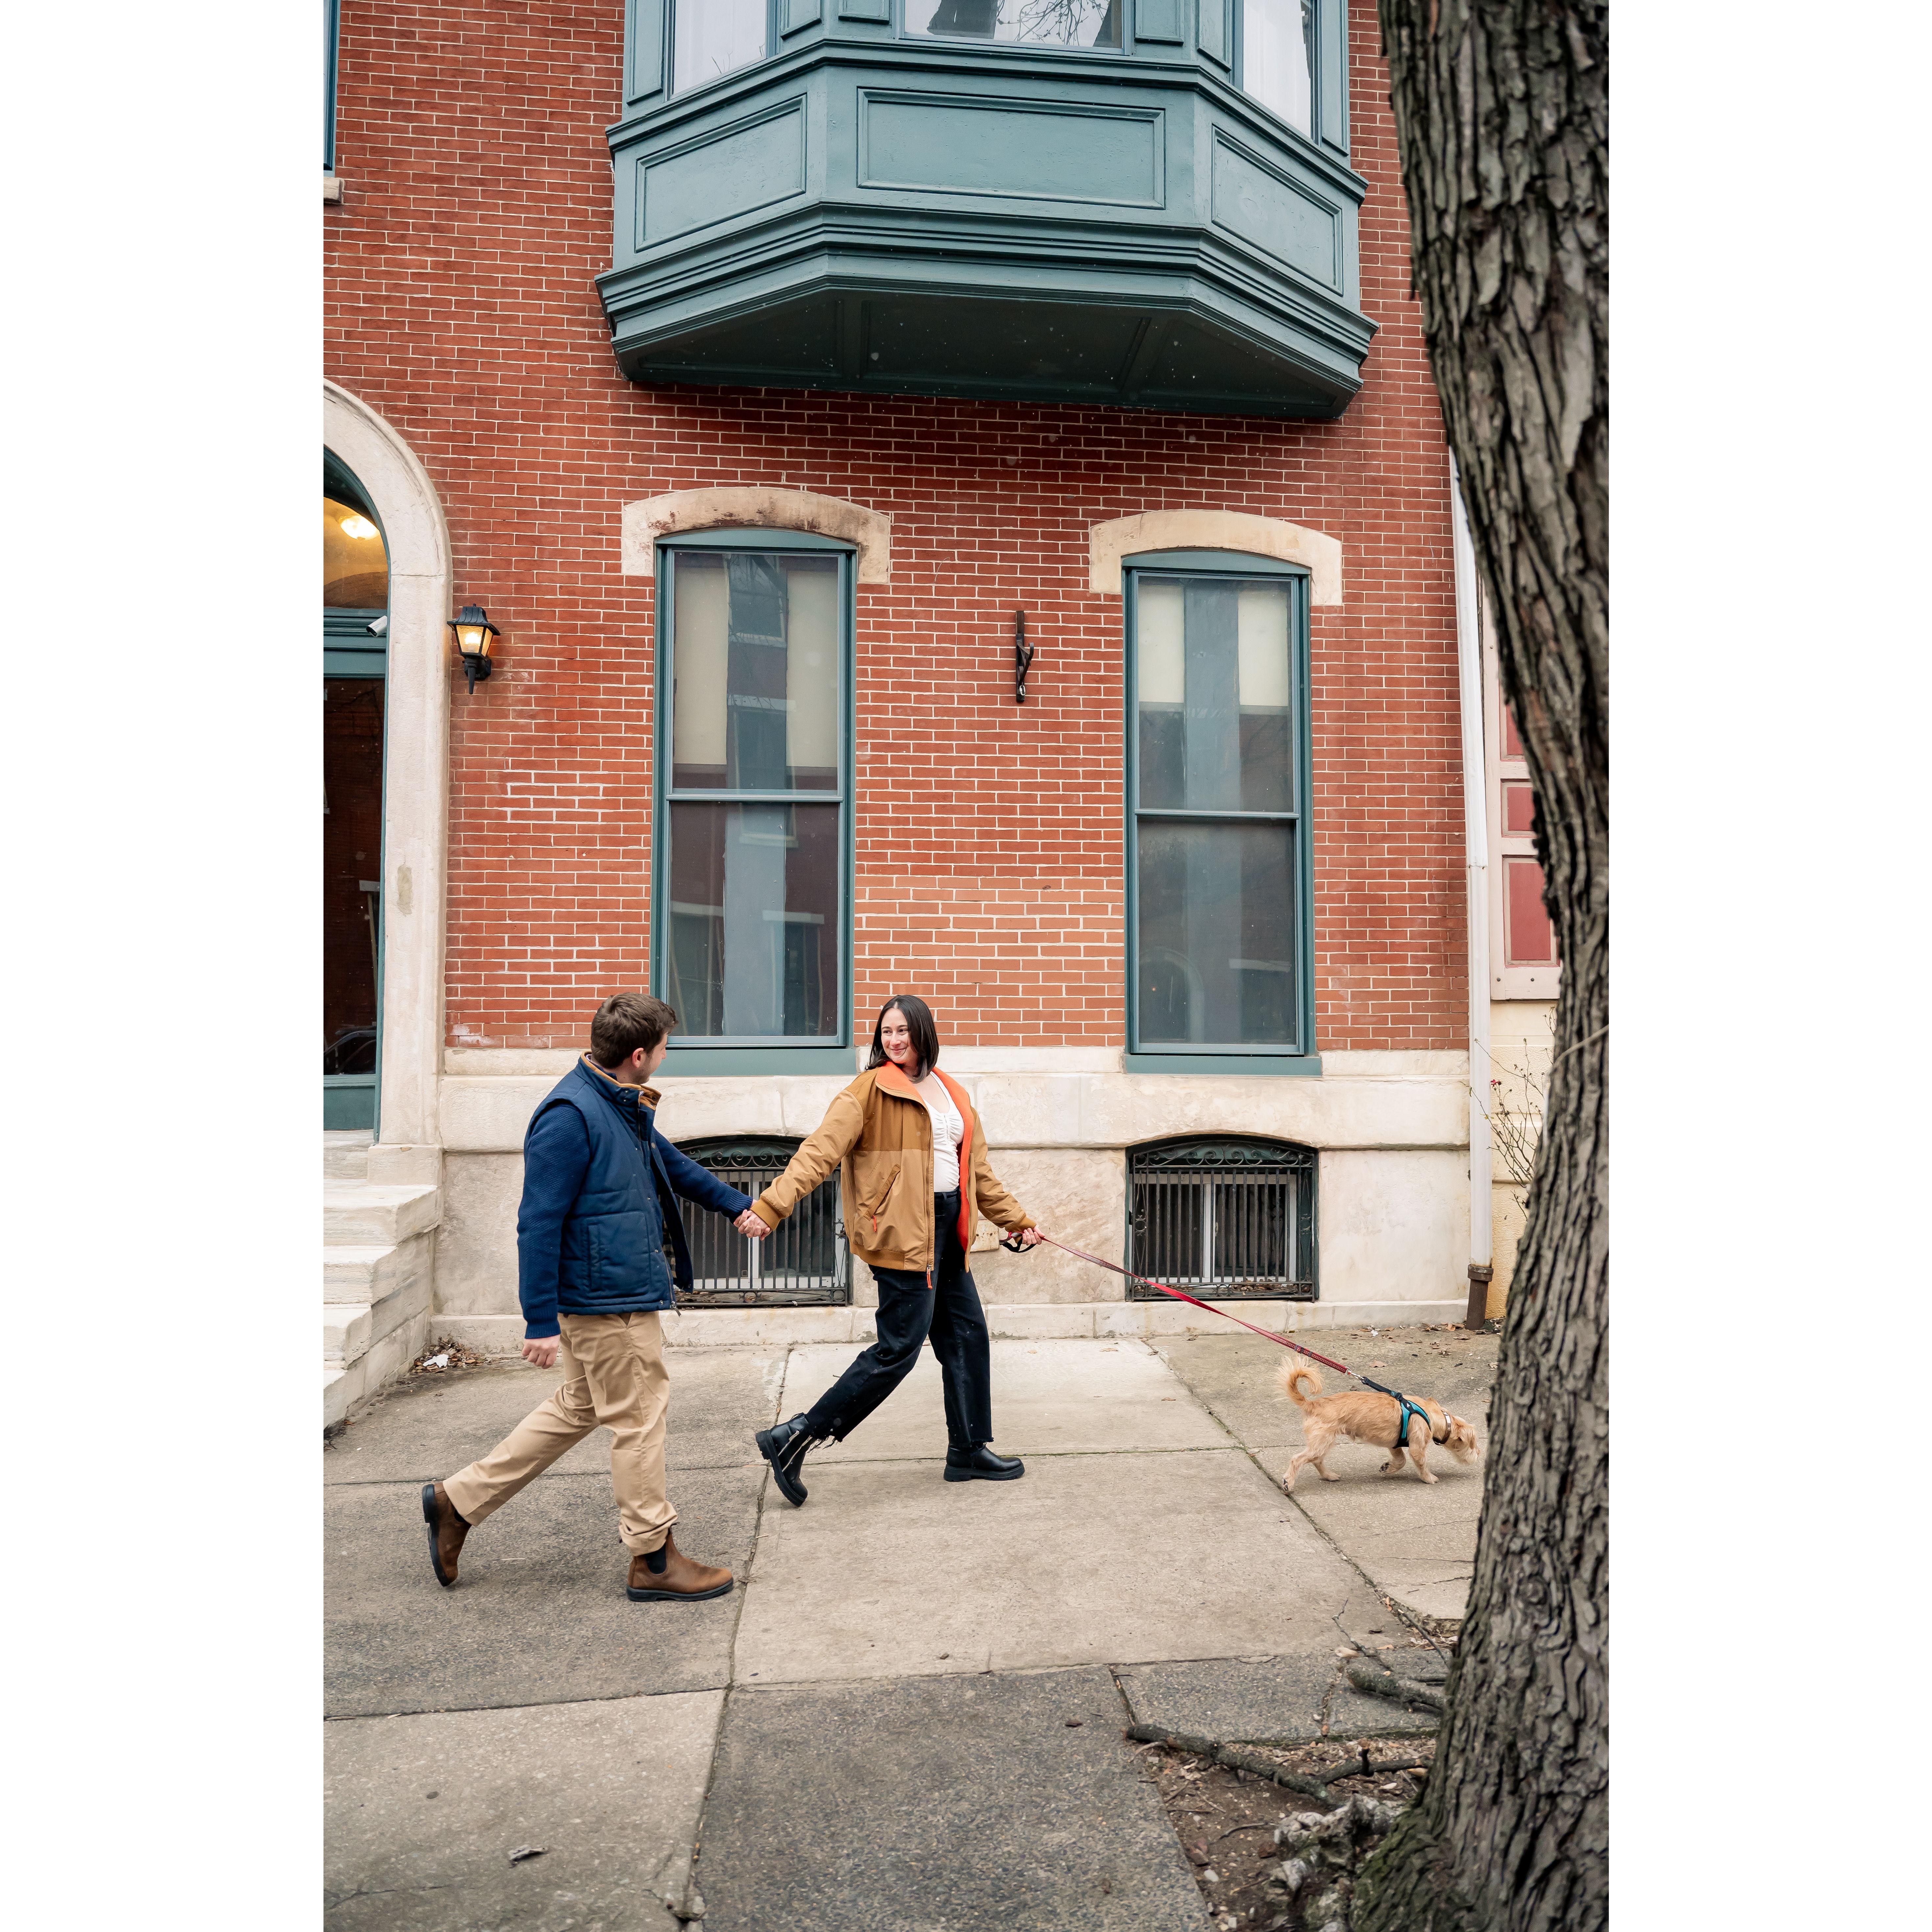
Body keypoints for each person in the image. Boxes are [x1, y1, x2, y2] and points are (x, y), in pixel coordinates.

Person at [420, 992, 770, 1601]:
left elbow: (675, 1168)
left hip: (613, 1288)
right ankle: (653, 1558)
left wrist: (740, 1203)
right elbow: (537, 1220)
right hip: (608, 1300)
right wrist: (537, 1319)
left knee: (581, 1407)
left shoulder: (619, 1104)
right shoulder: (570, 1115)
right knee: (639, 1420)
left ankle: (458, 1500)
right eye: (664, 1047)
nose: (666, 1055)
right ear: (639, 1054)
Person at [746, 994, 1043, 1506]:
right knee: (896, 1351)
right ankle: (794, 1436)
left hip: (950, 1230)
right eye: (887, 1032)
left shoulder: (951, 1091)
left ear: (923, 1032)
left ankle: (968, 1449)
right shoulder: (867, 1090)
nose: (895, 1040)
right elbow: (819, 1152)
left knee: (967, 1337)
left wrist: (1015, 1219)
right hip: (902, 1236)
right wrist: (772, 1204)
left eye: (903, 1030)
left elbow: (977, 1173)